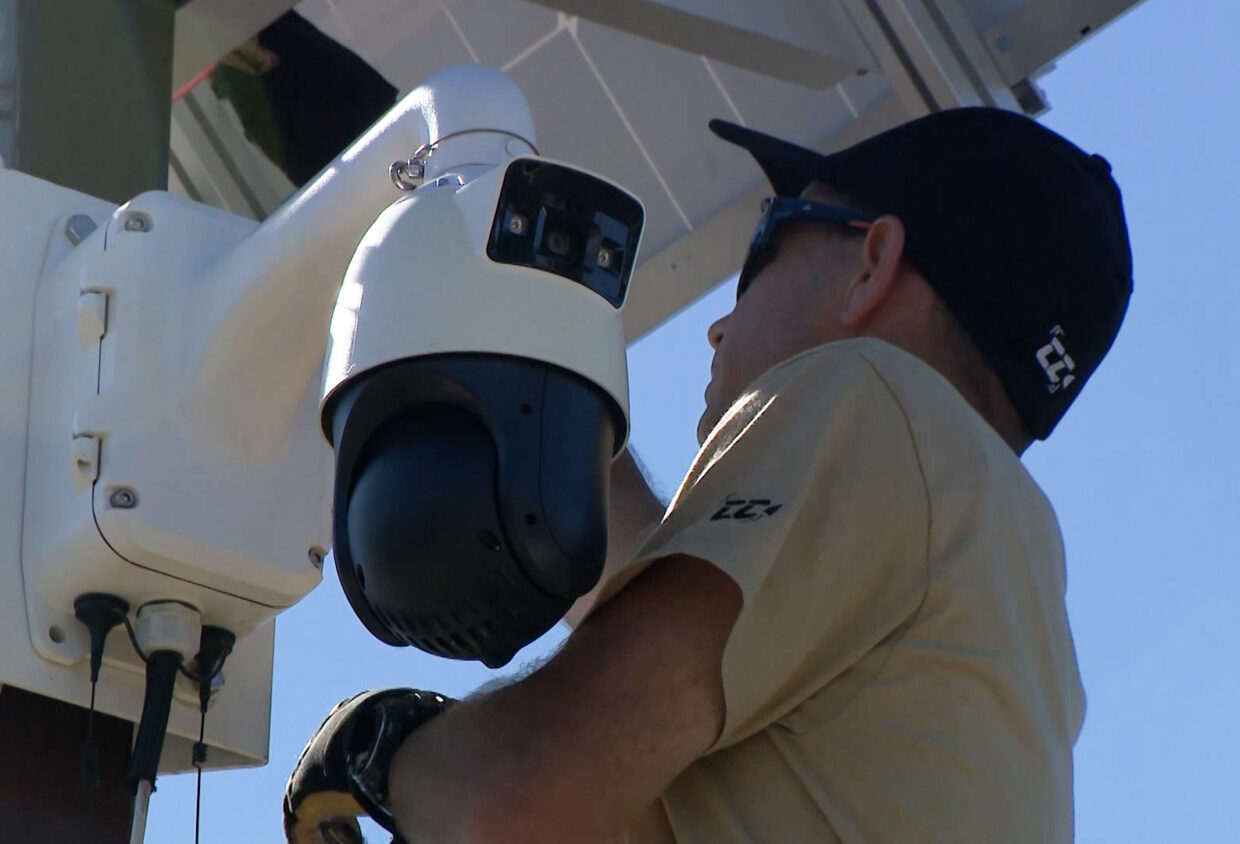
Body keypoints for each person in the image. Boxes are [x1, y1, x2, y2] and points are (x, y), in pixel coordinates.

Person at [283, 107, 1133, 843]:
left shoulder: (870, 396)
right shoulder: (992, 578)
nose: (717, 328)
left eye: (769, 237)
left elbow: (506, 800)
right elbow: (663, 595)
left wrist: (381, 747)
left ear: (872, 265)